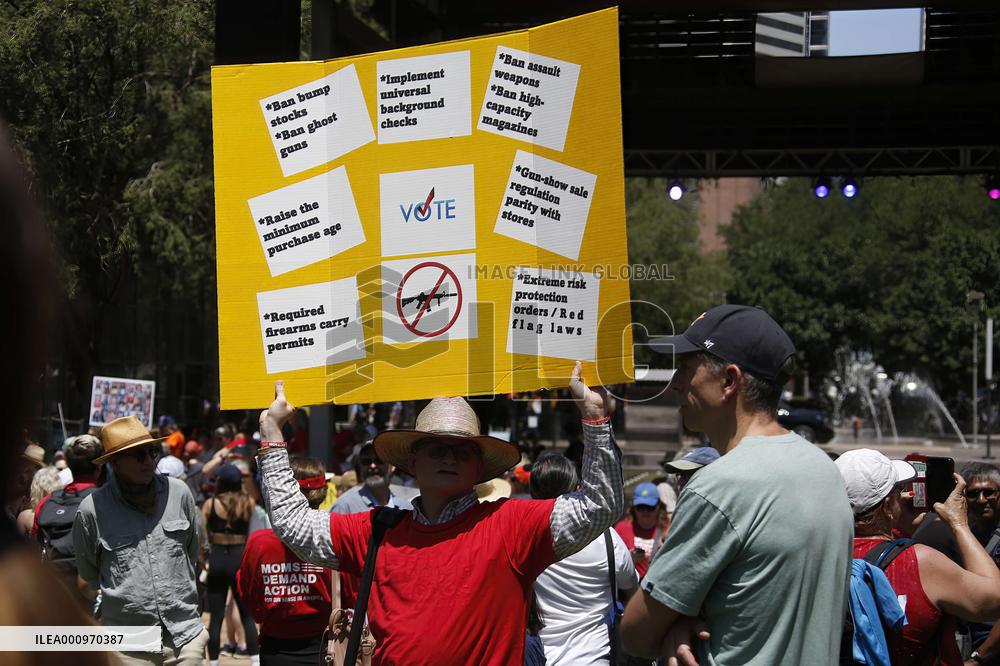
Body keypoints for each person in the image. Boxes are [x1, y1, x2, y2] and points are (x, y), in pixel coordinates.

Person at [256, 361, 622, 666]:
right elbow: (295, 525)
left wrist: (594, 421)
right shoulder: (379, 530)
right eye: (436, 448)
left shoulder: (510, 524)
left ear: (479, 468)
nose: (448, 457)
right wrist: (272, 436)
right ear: (413, 461)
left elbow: (599, 506)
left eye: (462, 450)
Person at [622, 304, 854, 665]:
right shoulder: (825, 470)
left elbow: (635, 634)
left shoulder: (719, 487)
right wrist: (681, 620)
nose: (674, 383)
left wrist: (674, 624)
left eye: (685, 367)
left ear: (729, 381)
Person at [836, 449, 1000, 665]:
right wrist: (958, 524)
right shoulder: (921, 562)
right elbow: (992, 600)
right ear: (887, 505)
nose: (904, 495)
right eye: (899, 490)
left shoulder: (819, 556)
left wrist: (901, 527)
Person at [72, 415, 208, 664]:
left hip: (185, 636)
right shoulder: (92, 510)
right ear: (115, 462)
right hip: (128, 645)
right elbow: (89, 575)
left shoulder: (179, 493)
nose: (148, 462)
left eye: (152, 452)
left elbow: (192, 553)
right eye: (138, 455)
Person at [531, 451, 638, 665]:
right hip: (593, 657)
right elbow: (632, 587)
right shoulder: (607, 537)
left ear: (532, 490)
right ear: (576, 487)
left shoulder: (521, 536)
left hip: (534, 656)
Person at [237, 457, 334, 666]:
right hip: (323, 647)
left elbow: (248, 593)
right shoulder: (333, 536)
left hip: (279, 648)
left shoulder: (259, 542)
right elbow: (350, 593)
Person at [915, 463, 1000, 664]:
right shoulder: (964, 534)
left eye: (989, 492)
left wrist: (979, 658)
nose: (981, 500)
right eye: (973, 494)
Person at [203, 463, 259, 665]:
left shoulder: (210, 503)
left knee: (216, 617)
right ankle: (255, 660)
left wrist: (203, 561)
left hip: (218, 557)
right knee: (246, 615)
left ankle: (214, 662)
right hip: (239, 558)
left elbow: (202, 534)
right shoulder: (248, 503)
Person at [614, 483, 668, 579]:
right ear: (633, 507)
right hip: (629, 587)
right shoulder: (621, 529)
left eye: (650, 507)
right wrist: (628, 559)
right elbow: (610, 562)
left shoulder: (667, 530)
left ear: (658, 506)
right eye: (641, 507)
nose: (645, 512)